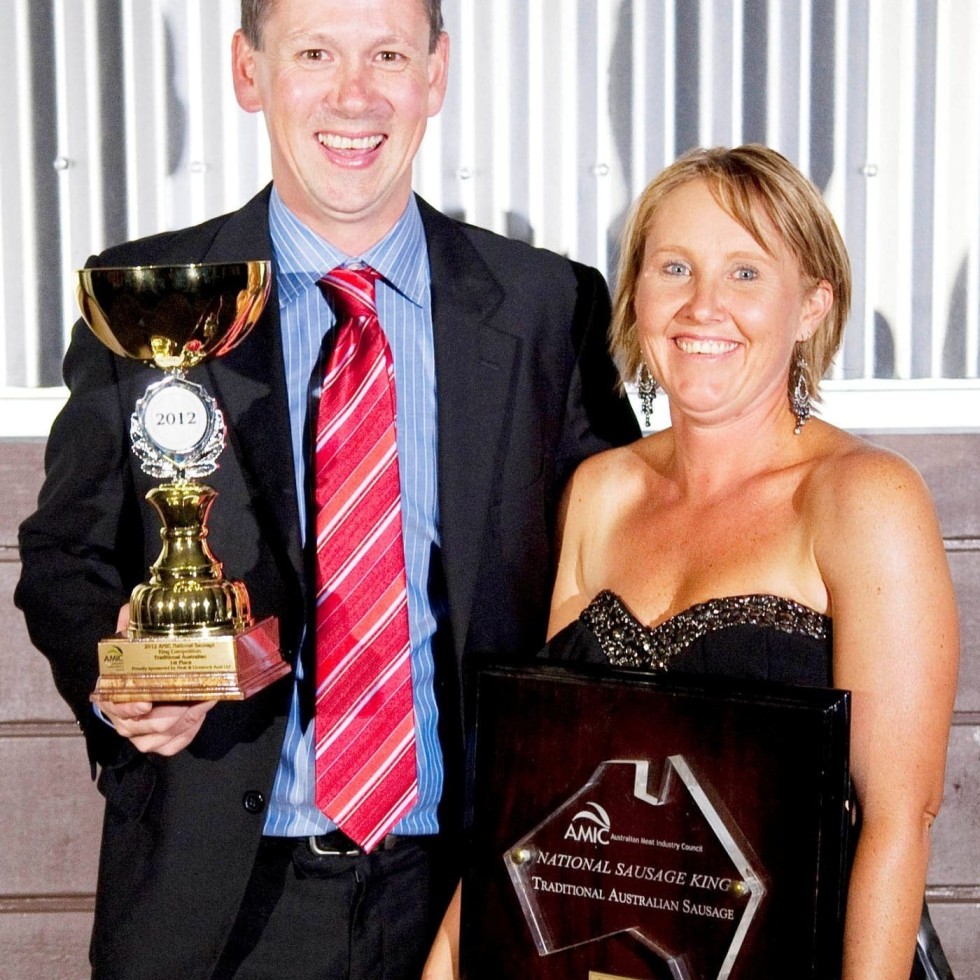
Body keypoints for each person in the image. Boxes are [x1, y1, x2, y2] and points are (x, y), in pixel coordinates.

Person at [14, 0, 638, 977]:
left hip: (467, 896)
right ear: (249, 71)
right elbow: (66, 552)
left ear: (434, 73)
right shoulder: (147, 294)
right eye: (314, 53)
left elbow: (619, 574)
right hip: (214, 901)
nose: (354, 95)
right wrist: (119, 679)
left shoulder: (548, 306)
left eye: (386, 54)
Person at [545, 145, 959, 979]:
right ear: (636, 293)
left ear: (811, 305)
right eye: (674, 267)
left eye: (744, 274)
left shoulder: (864, 497)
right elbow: (543, 788)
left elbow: (897, 821)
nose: (702, 306)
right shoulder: (601, 491)